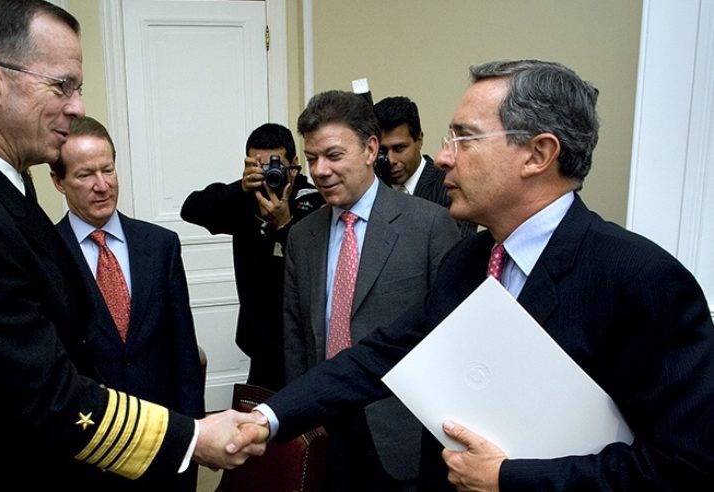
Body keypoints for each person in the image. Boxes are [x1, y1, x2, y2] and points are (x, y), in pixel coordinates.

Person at [232, 59, 714, 491]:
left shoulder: (643, 282)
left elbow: (682, 466)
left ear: (537, 154)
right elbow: (387, 352)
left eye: (464, 138)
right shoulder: (468, 261)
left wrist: (508, 478)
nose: (443, 157)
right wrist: (267, 419)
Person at [0, 1, 266, 490]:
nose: (77, 106)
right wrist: (189, 438)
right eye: (61, 84)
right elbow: (44, 394)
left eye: (79, 87)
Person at [283, 90, 460, 491]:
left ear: (370, 149)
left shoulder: (430, 226)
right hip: (325, 422)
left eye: (333, 155)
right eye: (312, 158)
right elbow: (295, 338)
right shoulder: (302, 236)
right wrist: (300, 416)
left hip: (400, 430)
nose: (320, 170)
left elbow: (449, 340)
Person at [49, 116, 205, 491]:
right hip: (90, 447)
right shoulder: (46, 256)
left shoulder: (160, 246)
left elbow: (183, 350)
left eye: (108, 169)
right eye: (86, 175)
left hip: (164, 439)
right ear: (58, 181)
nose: (102, 186)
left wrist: (194, 436)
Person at [181, 123, 324, 391]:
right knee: (260, 427)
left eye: (276, 165)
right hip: (259, 341)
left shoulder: (314, 200)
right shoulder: (244, 201)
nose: (270, 173)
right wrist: (243, 187)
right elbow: (191, 208)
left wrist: (285, 224)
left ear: (295, 164)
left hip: (304, 341)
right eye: (259, 166)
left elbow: (313, 264)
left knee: (305, 426)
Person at [373, 95, 475, 237]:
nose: (391, 159)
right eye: (383, 150)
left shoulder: (450, 185)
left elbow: (457, 247)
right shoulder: (374, 188)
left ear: (419, 140)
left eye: (399, 148)